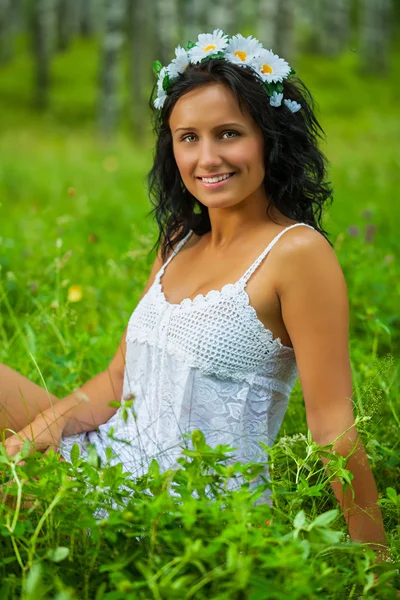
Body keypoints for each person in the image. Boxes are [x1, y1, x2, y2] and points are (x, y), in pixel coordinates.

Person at [0, 30, 390, 560]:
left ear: (269, 139)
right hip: (112, 455)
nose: (207, 158)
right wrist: (36, 436)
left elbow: (333, 428)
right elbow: (118, 381)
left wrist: (376, 564)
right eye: (189, 138)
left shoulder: (296, 254)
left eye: (228, 134)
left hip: (183, 507)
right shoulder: (180, 240)